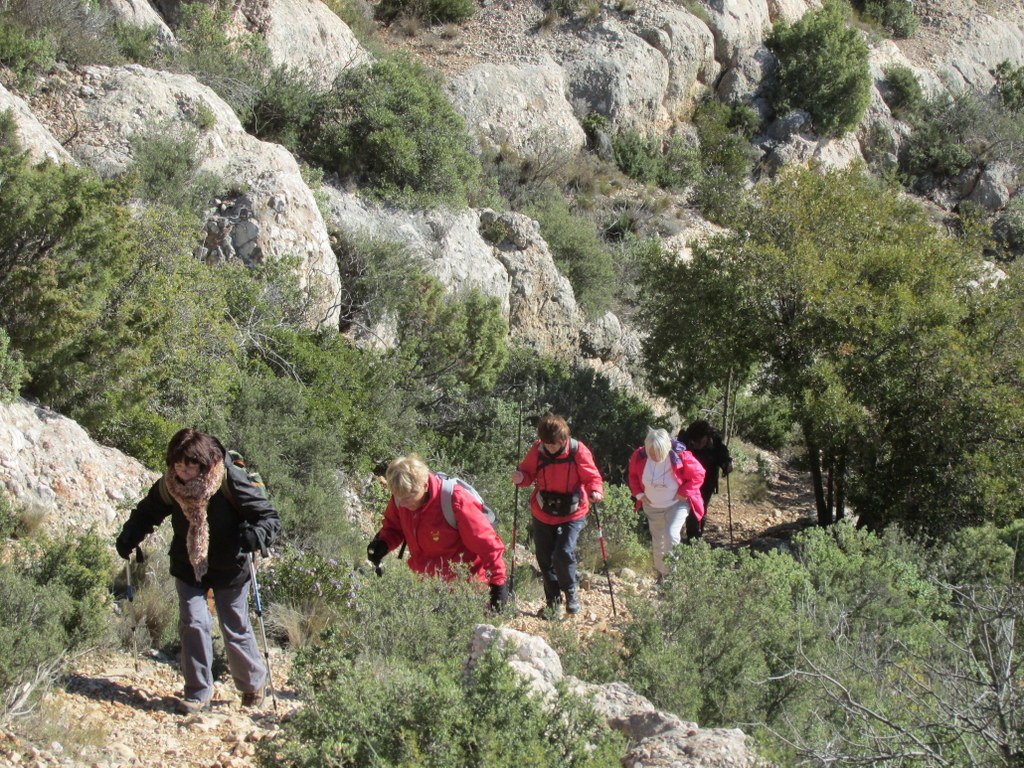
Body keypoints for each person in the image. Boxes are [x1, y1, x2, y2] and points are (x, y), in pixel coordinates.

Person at [114, 429, 281, 714]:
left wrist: (256, 535)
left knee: (234, 626)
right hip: (188, 562)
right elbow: (148, 511)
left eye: (189, 466)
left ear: (204, 464)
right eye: (177, 465)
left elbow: (268, 516)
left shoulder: (229, 480)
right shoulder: (170, 485)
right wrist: (131, 533)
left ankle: (253, 685)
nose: (182, 472)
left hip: (231, 562)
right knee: (193, 622)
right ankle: (197, 693)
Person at [366, 455, 509, 611]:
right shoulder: (400, 498)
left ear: (425, 484)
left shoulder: (455, 500)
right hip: (425, 587)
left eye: (410, 497)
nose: (405, 504)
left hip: (465, 590)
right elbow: (393, 528)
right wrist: (383, 543)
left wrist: (498, 583)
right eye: (401, 499)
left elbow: (487, 544)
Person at [512, 412, 604, 616]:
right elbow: (527, 474)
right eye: (546, 443)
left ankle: (571, 591)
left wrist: (595, 490)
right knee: (544, 558)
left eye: (553, 444)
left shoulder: (577, 450)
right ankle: (553, 605)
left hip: (573, 511)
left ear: (564, 439)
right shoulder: (538, 449)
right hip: (543, 511)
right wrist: (520, 477)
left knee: (562, 552)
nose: (550, 447)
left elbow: (592, 477)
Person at [628, 427, 705, 577]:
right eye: (652, 453)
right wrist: (639, 494)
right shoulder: (639, 456)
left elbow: (699, 474)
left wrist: (683, 492)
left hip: (676, 505)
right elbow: (632, 476)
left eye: (659, 453)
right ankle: (662, 574)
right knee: (658, 542)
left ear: (667, 448)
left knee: (671, 534)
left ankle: (672, 577)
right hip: (652, 506)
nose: (655, 456)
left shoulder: (680, 456)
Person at [679, 419, 733, 538]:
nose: (696, 445)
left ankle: (694, 540)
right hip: (687, 482)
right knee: (686, 510)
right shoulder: (685, 439)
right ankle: (688, 538)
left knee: (699, 511)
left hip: (707, 482)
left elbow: (723, 455)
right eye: (694, 442)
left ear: (707, 437)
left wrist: (726, 464)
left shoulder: (715, 442)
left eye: (699, 441)